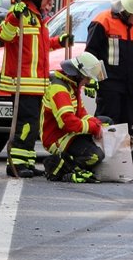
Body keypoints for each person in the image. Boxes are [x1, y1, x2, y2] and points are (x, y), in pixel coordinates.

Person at [0, 0, 66, 178]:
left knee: (33, 125)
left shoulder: (37, 18)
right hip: (23, 83)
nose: (50, 4)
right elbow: (3, 35)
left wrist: (60, 41)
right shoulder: (20, 13)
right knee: (26, 124)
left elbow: (40, 47)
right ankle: (16, 165)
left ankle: (26, 161)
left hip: (36, 83)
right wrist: (13, 16)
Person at [84, 0, 133, 127]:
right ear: (126, 11)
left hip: (130, 84)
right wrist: (91, 78)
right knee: (107, 122)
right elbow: (91, 52)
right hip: (108, 83)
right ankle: (102, 149)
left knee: (126, 123)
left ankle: (122, 149)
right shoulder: (103, 21)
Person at [41, 53, 107, 182]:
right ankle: (60, 166)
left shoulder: (72, 87)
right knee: (95, 156)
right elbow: (68, 122)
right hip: (58, 138)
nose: (88, 81)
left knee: (107, 122)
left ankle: (72, 161)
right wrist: (94, 128)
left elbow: (82, 114)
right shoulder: (59, 89)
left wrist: (97, 124)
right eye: (87, 77)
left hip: (69, 134)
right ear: (79, 74)